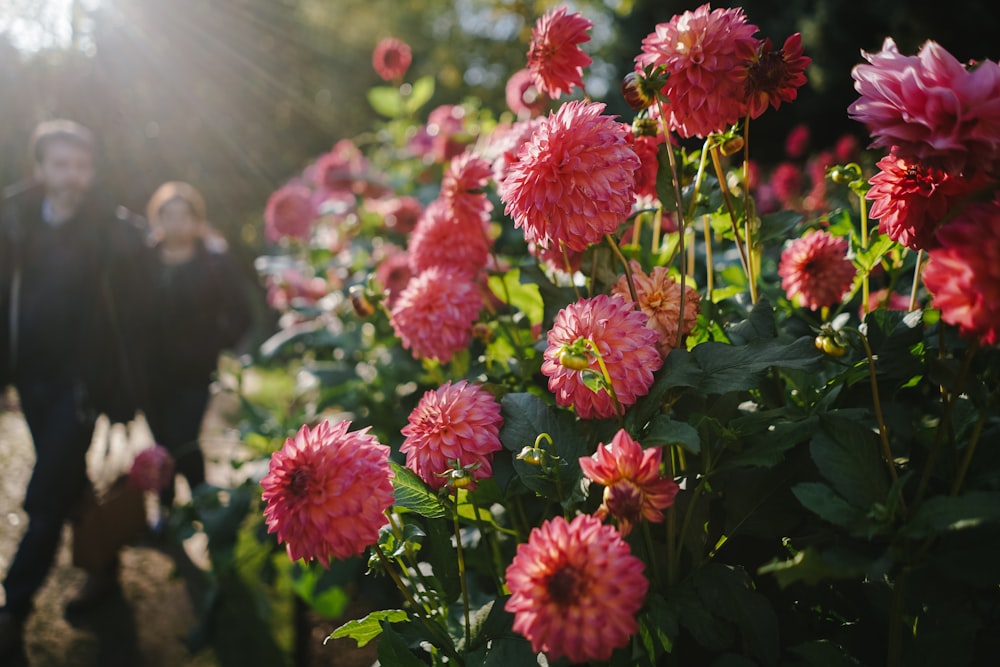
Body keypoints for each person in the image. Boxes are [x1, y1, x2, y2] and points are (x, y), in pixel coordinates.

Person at [0, 120, 153, 657]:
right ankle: (104, 568)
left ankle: (13, 607)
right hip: (31, 377)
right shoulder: (16, 221)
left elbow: (140, 292)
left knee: (44, 496)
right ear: (40, 169)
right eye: (61, 165)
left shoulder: (109, 229)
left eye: (82, 166)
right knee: (66, 477)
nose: (73, 177)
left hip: (83, 385)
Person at [142, 181, 251, 518]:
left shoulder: (214, 262)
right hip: (149, 371)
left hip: (194, 370)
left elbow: (241, 313)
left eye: (184, 215)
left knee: (183, 437)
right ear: (156, 218)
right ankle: (167, 510)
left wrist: (215, 344)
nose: (176, 223)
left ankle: (204, 507)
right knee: (161, 441)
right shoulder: (142, 262)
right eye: (168, 215)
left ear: (197, 219)